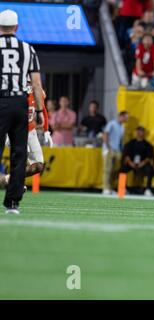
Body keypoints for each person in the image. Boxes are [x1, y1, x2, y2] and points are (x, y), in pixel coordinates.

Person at [0, 9, 44, 214]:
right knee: (19, 154)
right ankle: (12, 203)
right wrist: (40, 110)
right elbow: (36, 84)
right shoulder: (27, 49)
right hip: (19, 102)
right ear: (16, 27)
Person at [1, 87, 52, 188]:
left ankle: (12, 178)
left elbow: (43, 110)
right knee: (23, 153)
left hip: (31, 131)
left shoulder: (38, 92)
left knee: (38, 166)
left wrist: (46, 131)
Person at [120, 126, 154, 196]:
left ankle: (148, 189)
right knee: (122, 169)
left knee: (150, 170)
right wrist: (130, 163)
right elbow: (126, 155)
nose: (139, 133)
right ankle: (122, 189)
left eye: (141, 131)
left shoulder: (147, 144)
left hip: (142, 164)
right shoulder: (131, 143)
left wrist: (141, 164)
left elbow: (149, 157)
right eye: (138, 131)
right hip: (132, 163)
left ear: (144, 133)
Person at [102, 111, 128, 195]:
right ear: (121, 116)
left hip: (117, 150)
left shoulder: (122, 127)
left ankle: (111, 188)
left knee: (115, 170)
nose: (126, 119)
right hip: (109, 149)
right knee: (107, 169)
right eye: (125, 117)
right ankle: (106, 188)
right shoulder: (112, 123)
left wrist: (121, 150)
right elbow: (105, 134)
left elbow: (120, 140)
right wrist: (108, 147)